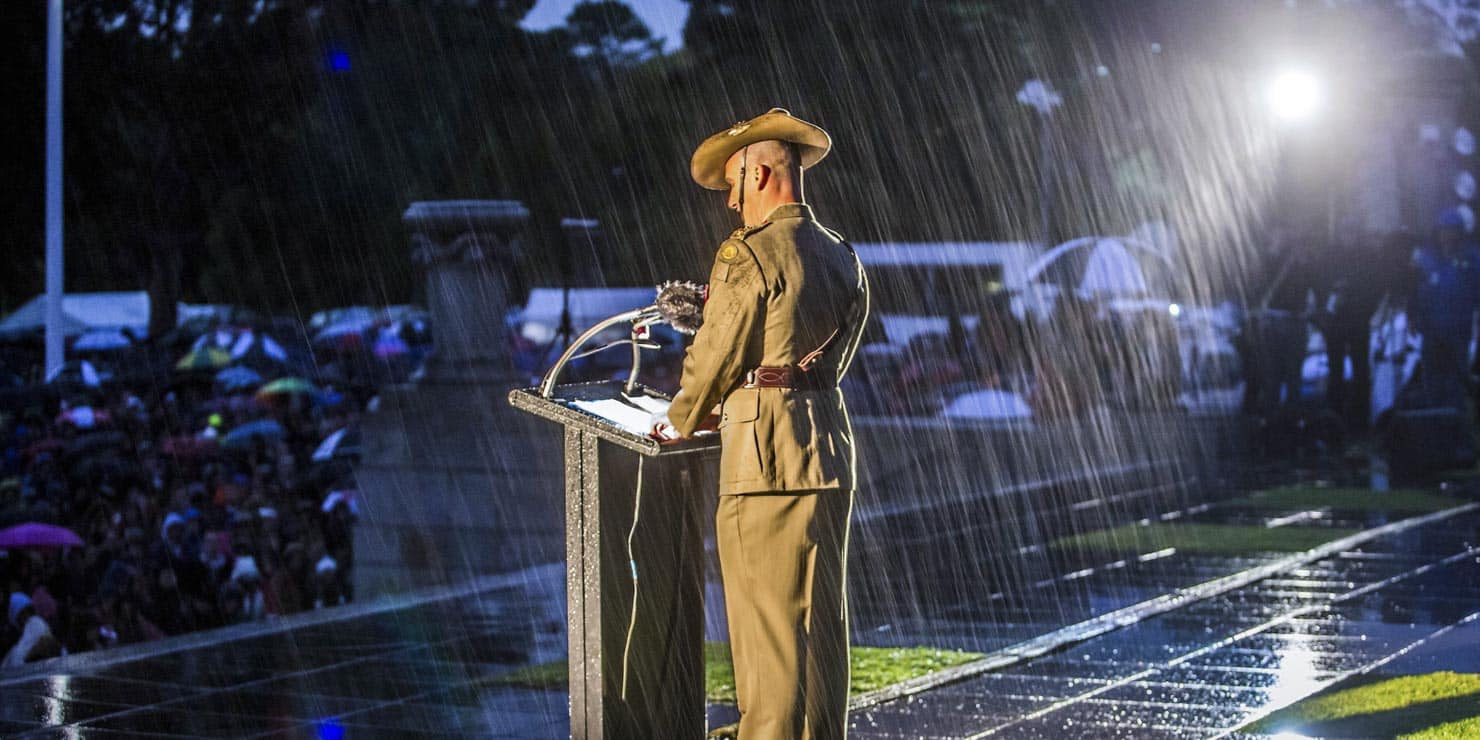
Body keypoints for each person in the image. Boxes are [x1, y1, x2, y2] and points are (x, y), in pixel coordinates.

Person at [654, 108, 868, 739]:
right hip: (826, 451)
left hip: (762, 464)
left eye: (733, 186)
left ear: (761, 172)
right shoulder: (841, 256)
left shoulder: (747, 252)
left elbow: (715, 357)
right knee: (819, 631)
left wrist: (682, 418)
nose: (730, 205)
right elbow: (826, 363)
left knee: (767, 643)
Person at [1409, 209, 1480, 410]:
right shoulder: (1427, 257)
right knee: (1432, 377)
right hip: (1431, 329)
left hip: (1458, 329)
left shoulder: (1472, 258)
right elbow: (1415, 287)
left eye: (1452, 230)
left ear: (1459, 232)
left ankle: (1454, 421)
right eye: (1443, 230)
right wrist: (1412, 314)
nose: (1447, 235)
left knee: (1456, 378)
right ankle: (1434, 420)